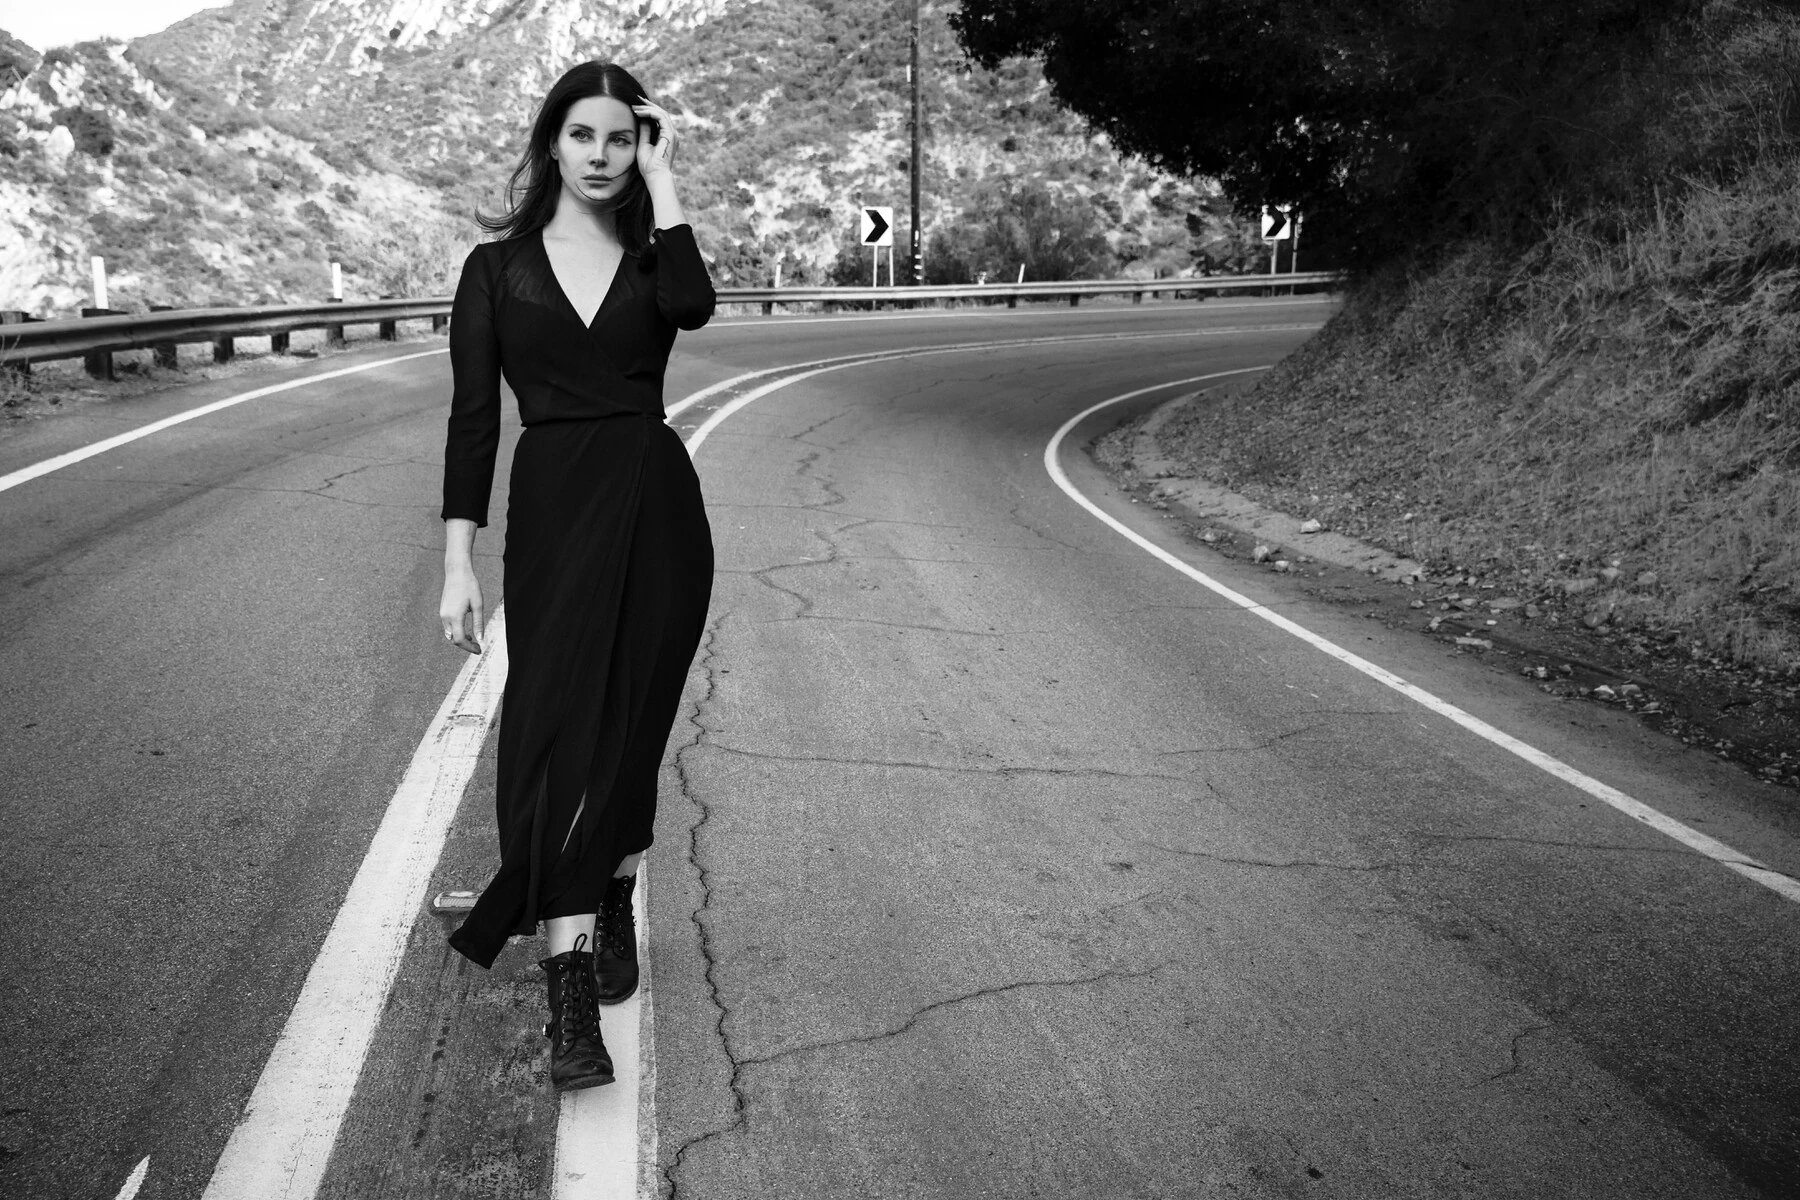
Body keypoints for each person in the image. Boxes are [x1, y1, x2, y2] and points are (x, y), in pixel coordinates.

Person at [436, 61, 715, 1092]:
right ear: (550, 141)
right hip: (555, 512)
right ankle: (568, 1004)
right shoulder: (496, 269)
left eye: (620, 139)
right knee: (555, 739)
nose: (601, 157)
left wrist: (667, 182)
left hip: (657, 509)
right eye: (582, 135)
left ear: (640, 145)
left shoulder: (653, 258)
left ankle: (614, 890)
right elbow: (473, 421)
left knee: (630, 733)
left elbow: (694, 306)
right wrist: (459, 560)